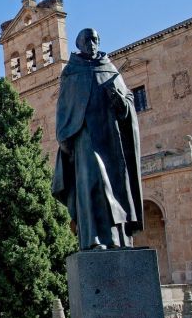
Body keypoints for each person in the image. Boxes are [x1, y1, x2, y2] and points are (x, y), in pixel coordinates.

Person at [52, 28, 143, 249]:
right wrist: (65, 139)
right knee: (93, 183)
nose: (91, 44)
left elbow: (128, 101)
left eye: (95, 39)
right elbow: (63, 108)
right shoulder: (71, 72)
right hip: (84, 137)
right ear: (78, 44)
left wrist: (120, 101)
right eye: (87, 40)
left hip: (111, 137)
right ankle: (93, 238)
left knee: (116, 186)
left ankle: (119, 239)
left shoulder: (109, 68)